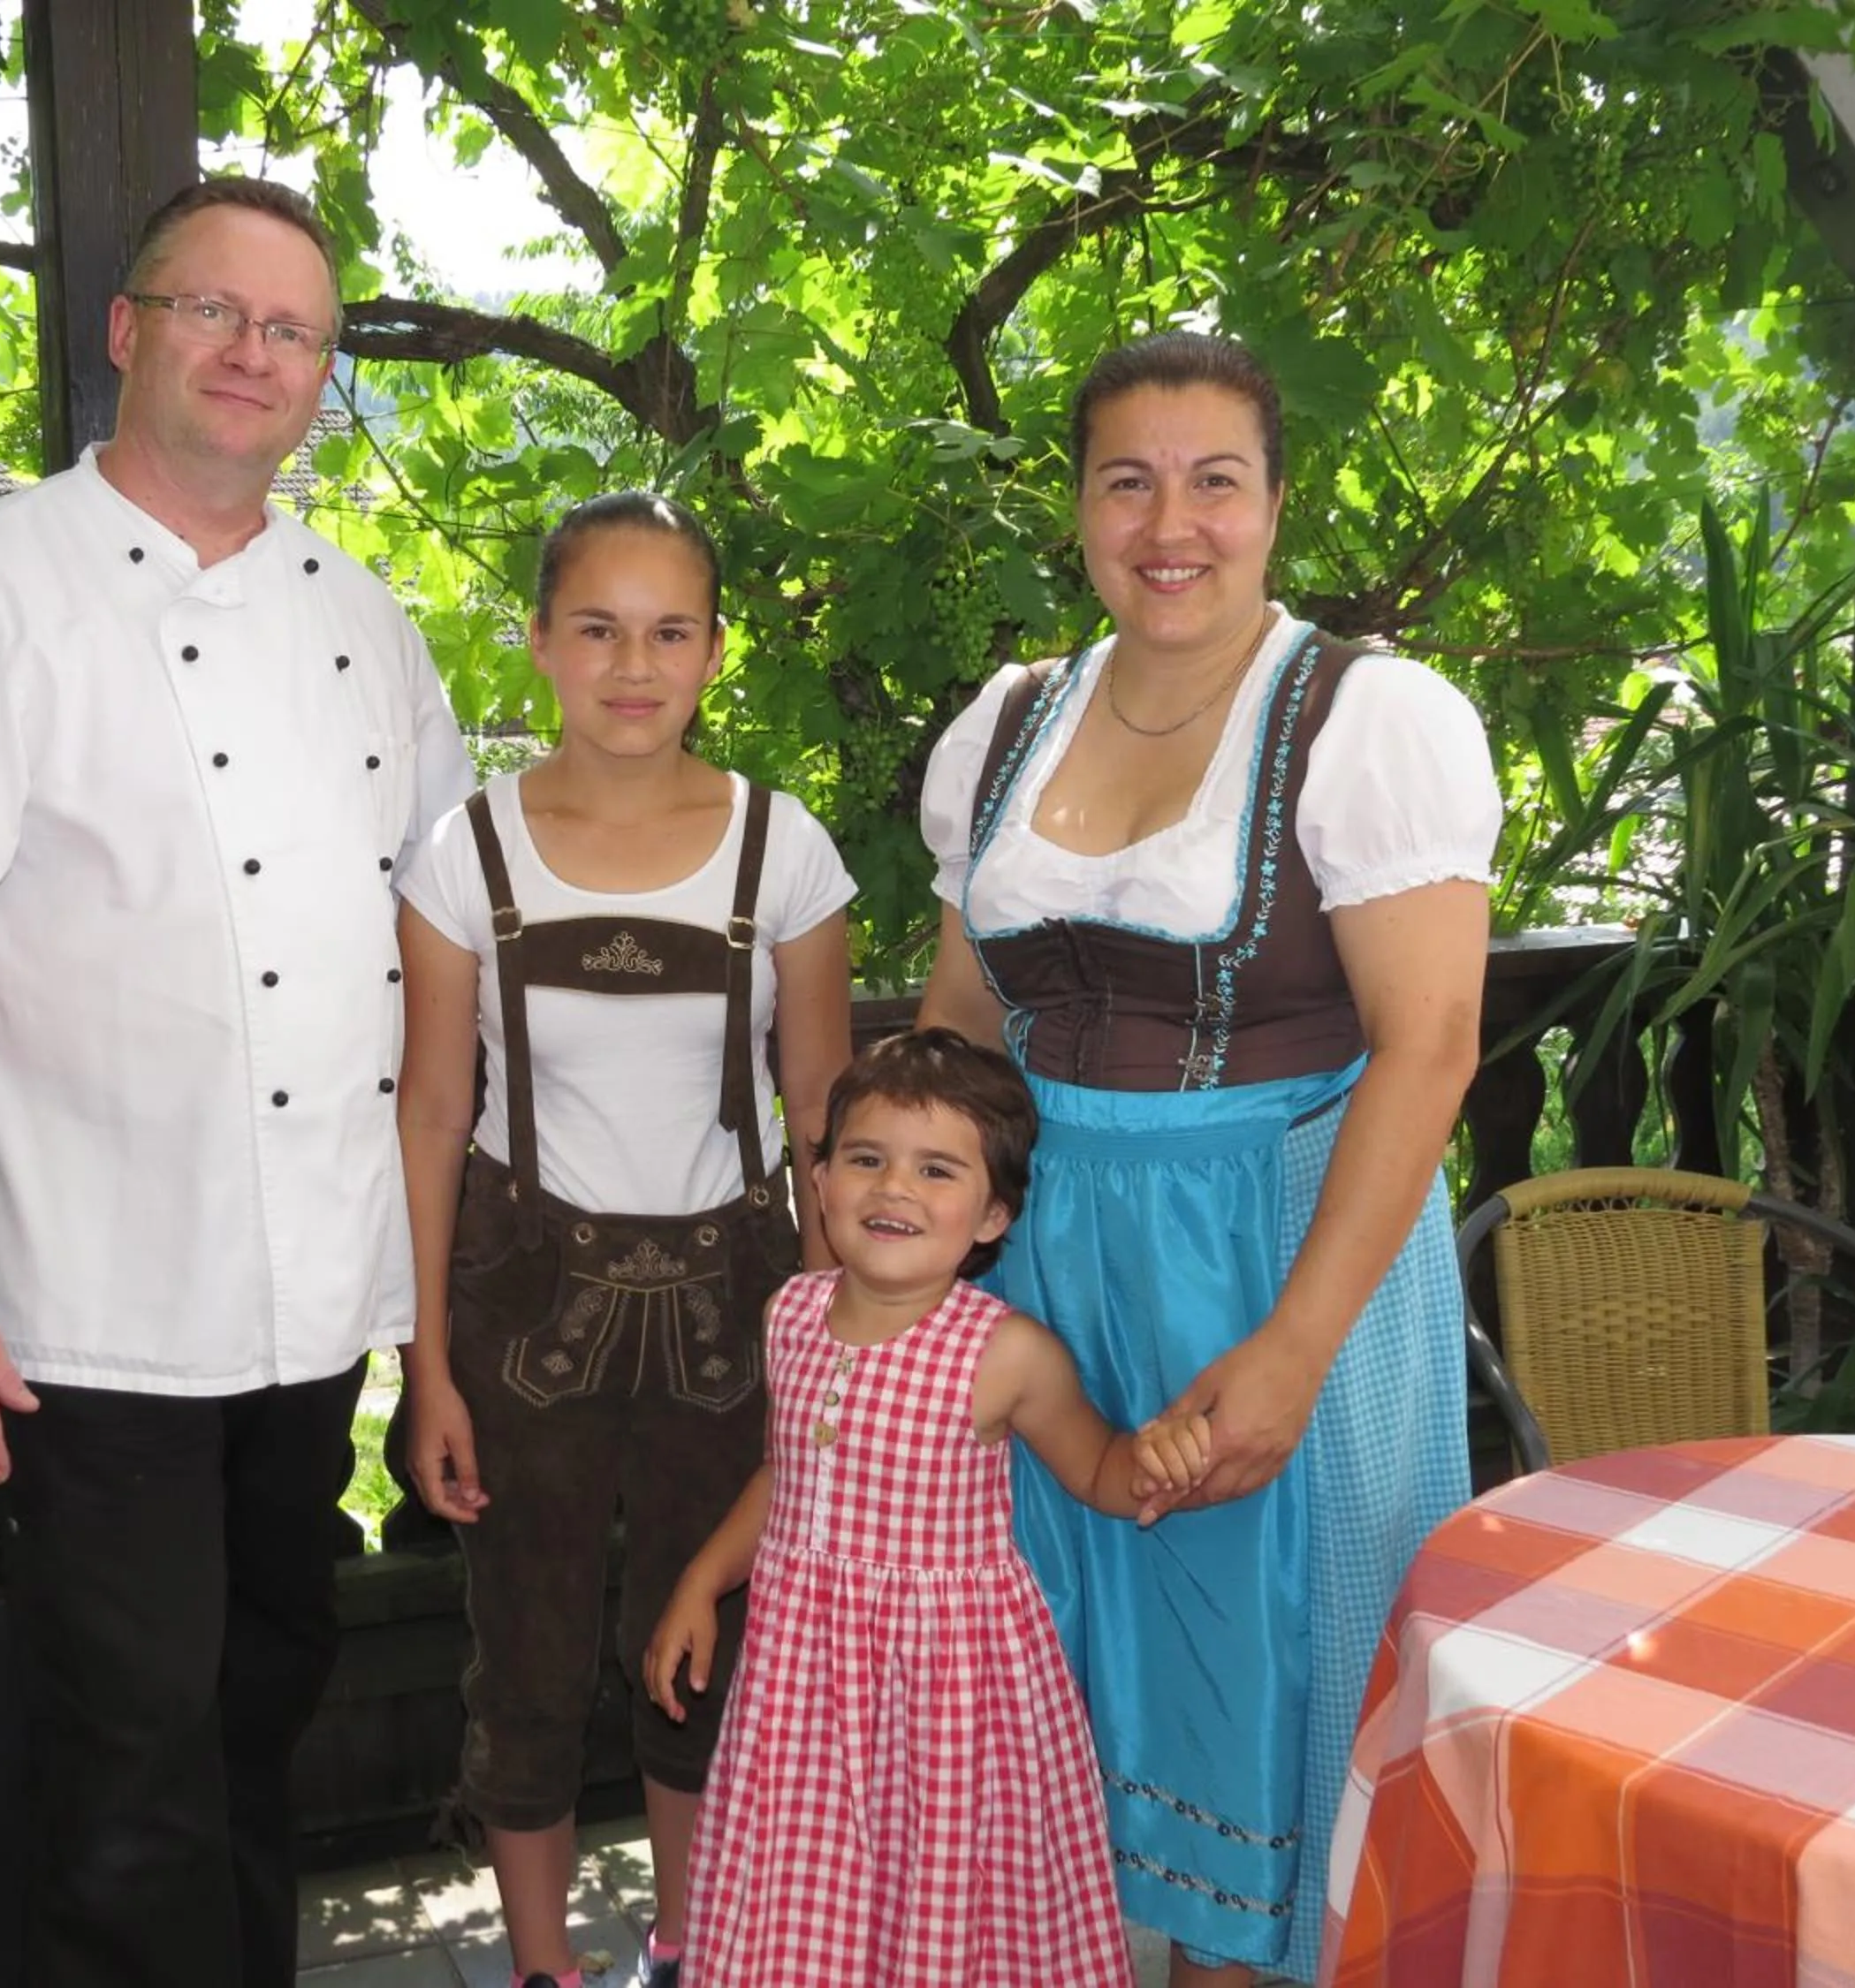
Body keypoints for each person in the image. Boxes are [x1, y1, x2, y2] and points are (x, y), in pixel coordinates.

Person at [0, 178, 473, 1988]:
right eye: (214, 311)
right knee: (129, 1759)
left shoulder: (368, 617)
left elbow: (440, 939)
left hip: (307, 1297)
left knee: (263, 1702)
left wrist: (436, 1303)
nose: (253, 352)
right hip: (84, 1306)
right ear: (128, 331)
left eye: (294, 330)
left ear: (325, 375)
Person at [914, 330, 1501, 1985]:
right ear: (1082, 510)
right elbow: (964, 1020)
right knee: (1060, 1688)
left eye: (1215, 480)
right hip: (1051, 1281)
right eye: (1129, 480)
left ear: (1274, 506)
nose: (1172, 522)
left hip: (1276, 1261)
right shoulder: (1014, 719)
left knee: (1261, 1690)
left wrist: (1292, 1354)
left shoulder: (1368, 717)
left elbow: (1431, 1044)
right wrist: (890, 1263)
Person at [392, 491, 856, 1988]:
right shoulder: (464, 857)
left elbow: (826, 1109)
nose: (633, 664)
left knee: (701, 1640)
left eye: (669, 631)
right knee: (521, 1651)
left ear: (716, 653)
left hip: (734, 1301)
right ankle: (541, 1967)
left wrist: (852, 1332)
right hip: (519, 1306)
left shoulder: (786, 852)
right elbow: (429, 1114)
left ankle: (692, 1951)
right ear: (538, 645)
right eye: (596, 628)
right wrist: (426, 1365)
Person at [642, 1028, 1211, 1985]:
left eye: (936, 1170)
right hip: (800, 1687)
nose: (894, 1187)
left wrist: (1159, 1456)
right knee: (802, 1893)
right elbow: (791, 1474)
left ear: (992, 1215)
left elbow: (1101, 1472)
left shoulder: (1004, 1353)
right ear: (818, 1183)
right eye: (865, 1158)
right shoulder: (793, 1315)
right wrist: (703, 1579)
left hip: (950, 1695)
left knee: (942, 1897)